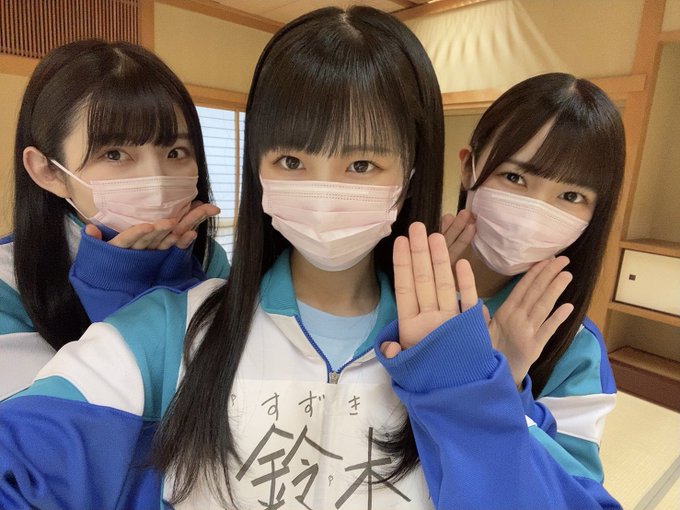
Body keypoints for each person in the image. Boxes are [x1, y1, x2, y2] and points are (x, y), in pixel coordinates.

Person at [0, 9, 620, 510]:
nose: (326, 192)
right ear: (258, 166)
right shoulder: (166, 329)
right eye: (293, 161)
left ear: (410, 171)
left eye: (361, 163)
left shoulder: (457, 362)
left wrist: (470, 392)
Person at [0, 40, 228, 400]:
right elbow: (38, 426)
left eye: (175, 152)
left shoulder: (207, 256)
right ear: (48, 171)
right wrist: (131, 313)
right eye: (115, 154)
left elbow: (233, 396)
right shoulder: (6, 280)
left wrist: (180, 294)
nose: (156, 179)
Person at [434, 71, 625, 491]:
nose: (532, 213)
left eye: (571, 196)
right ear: (468, 167)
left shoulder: (574, 344)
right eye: (515, 177)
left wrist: (504, 385)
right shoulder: (395, 278)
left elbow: (575, 491)